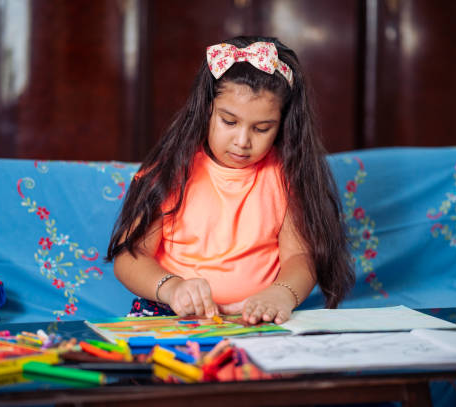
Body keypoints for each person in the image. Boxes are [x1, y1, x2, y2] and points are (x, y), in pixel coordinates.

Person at [107, 36, 354, 324]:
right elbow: (130, 258)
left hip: (256, 315)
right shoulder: (170, 171)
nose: (242, 141)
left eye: (262, 128)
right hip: (171, 313)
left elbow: (300, 258)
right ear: (206, 109)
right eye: (229, 121)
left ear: (283, 124)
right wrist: (172, 287)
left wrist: (281, 294)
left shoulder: (285, 177)